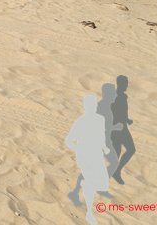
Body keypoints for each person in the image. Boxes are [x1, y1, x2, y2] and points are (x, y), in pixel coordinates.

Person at [65, 94, 110, 225]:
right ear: (85, 106)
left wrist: (105, 148)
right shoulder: (80, 122)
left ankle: (82, 186)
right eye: (90, 105)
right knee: (91, 182)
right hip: (85, 156)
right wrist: (79, 150)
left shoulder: (100, 119)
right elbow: (69, 140)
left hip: (97, 155)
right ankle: (89, 213)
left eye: (94, 105)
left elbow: (101, 136)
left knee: (103, 184)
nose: (93, 107)